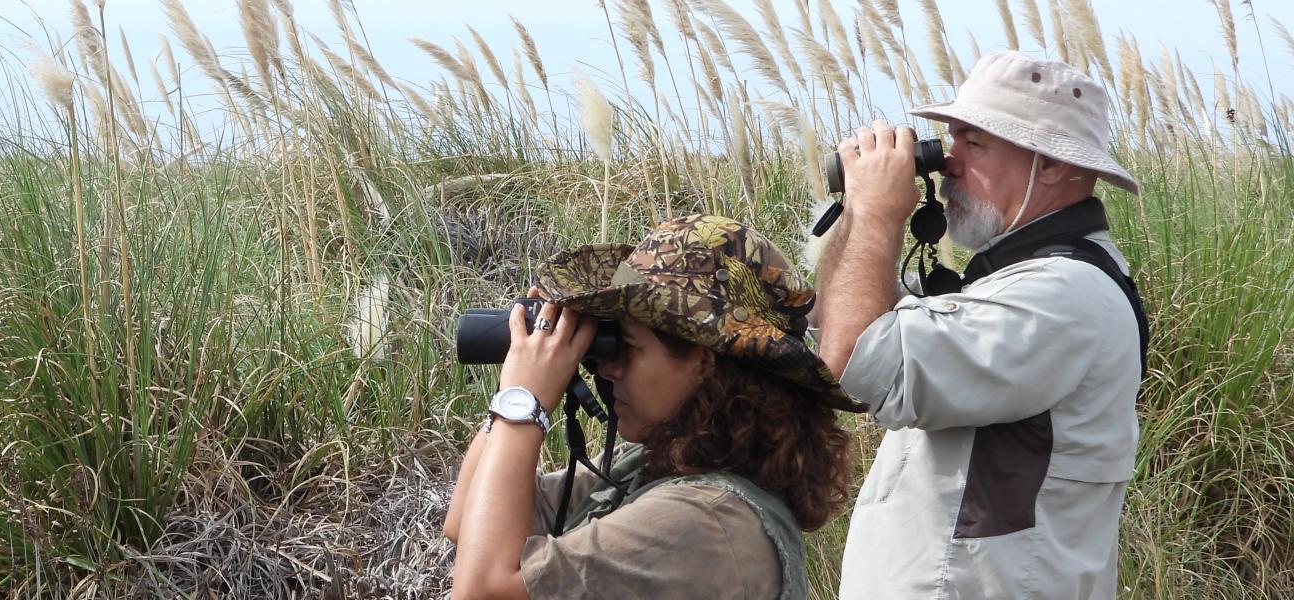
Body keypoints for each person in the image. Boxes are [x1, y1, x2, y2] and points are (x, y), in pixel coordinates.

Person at [814, 51, 1149, 599]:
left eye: (975, 141)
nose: (948, 161)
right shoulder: (1015, 285)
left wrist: (876, 210)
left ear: (1058, 165)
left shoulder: (1064, 295)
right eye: (953, 138)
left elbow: (852, 358)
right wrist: (855, 212)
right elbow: (848, 320)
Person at [443, 215, 862, 599]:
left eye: (627, 347)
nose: (607, 369)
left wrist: (523, 400)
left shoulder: (707, 521)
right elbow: (465, 524)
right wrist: (520, 376)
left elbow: (481, 591)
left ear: (703, 361)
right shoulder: (649, 469)